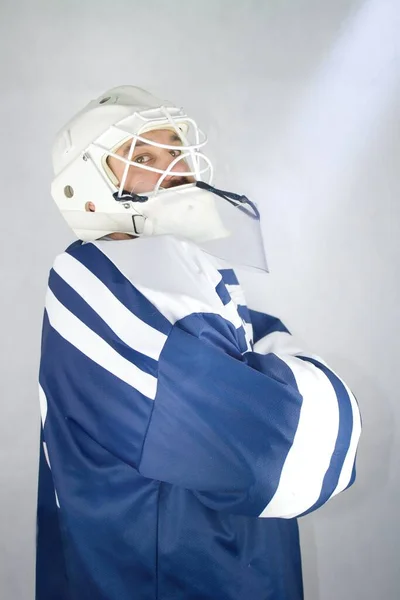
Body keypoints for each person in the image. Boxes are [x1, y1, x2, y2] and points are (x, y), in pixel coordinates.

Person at [36, 85, 361, 600]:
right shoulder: (88, 278)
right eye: (143, 155)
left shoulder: (197, 268)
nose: (179, 166)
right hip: (169, 576)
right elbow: (285, 455)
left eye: (176, 151)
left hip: (241, 564)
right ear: (85, 182)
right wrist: (286, 380)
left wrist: (263, 380)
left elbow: (264, 367)